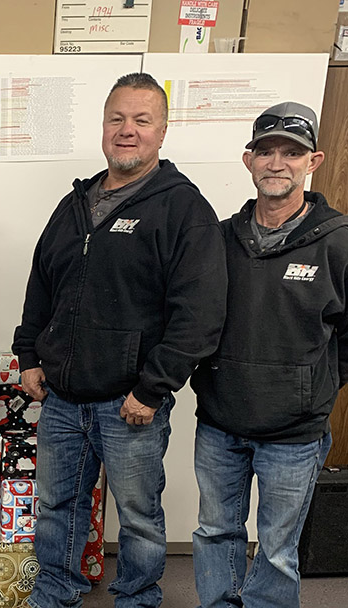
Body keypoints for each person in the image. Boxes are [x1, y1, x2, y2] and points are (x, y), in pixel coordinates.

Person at [12, 72, 227, 607]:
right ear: (103, 127)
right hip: (63, 397)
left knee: (138, 514)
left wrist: (153, 388)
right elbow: (43, 282)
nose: (126, 130)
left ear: (162, 131)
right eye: (117, 119)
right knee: (57, 506)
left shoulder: (182, 208)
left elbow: (199, 313)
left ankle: (136, 598)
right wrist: (29, 355)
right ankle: (55, 593)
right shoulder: (76, 204)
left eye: (141, 120)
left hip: (131, 400)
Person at [190, 102, 339, 608]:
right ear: (248, 160)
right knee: (215, 533)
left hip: (294, 434)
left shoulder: (337, 242)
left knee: (277, 550)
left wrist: (310, 387)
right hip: (219, 421)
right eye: (266, 151)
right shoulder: (220, 240)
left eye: (291, 152)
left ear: (312, 161)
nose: (277, 163)